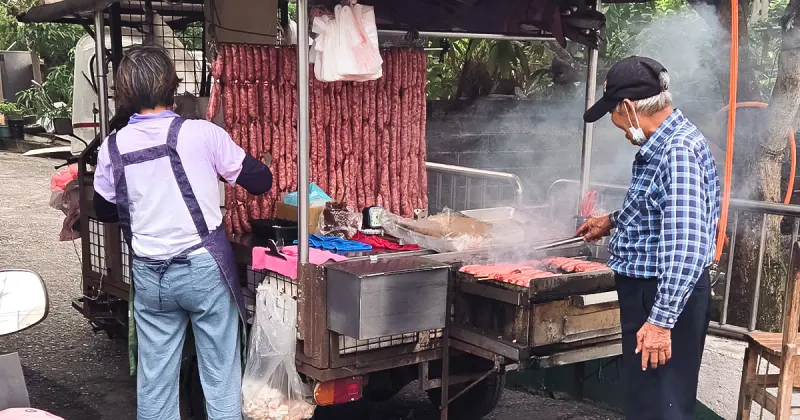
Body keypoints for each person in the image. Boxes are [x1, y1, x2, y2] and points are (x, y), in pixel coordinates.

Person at [92, 44, 272, 420]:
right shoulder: (202, 135)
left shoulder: (112, 147)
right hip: (203, 270)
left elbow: (105, 209)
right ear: (172, 87)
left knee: (155, 380)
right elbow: (259, 181)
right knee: (220, 374)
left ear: (125, 95)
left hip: (150, 276)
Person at [577, 56, 720, 420]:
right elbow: (657, 208)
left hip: (662, 294)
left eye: (614, 114)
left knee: (661, 404)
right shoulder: (667, 143)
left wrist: (660, 322)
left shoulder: (677, 152)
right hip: (652, 293)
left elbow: (686, 247)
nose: (619, 127)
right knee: (647, 401)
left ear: (628, 107)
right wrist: (611, 221)